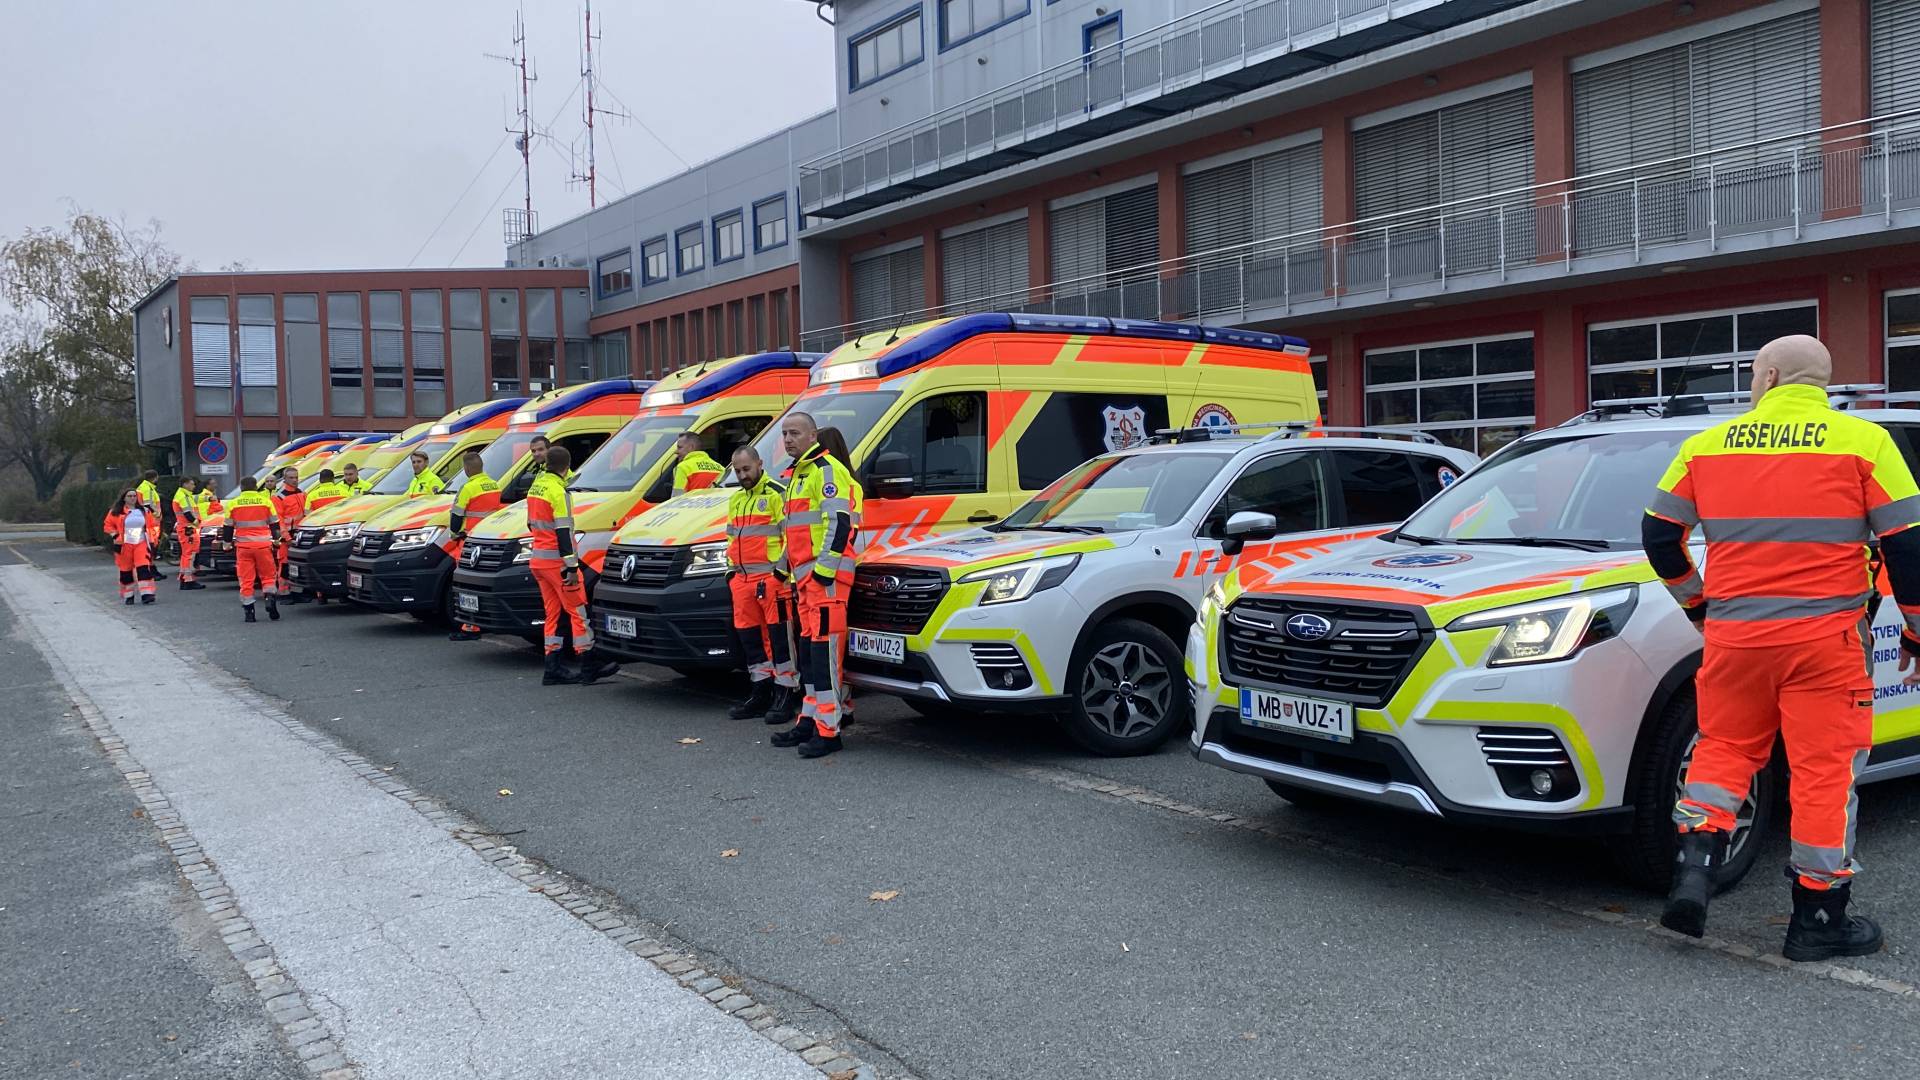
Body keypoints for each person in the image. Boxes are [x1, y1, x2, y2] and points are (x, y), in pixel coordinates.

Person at [1644, 334, 1920, 961]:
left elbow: (1659, 536)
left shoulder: (1704, 445)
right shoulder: (1865, 442)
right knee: (1823, 774)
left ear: (1768, 376)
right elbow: (1906, 547)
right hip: (1824, 644)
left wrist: (1699, 606)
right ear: (1819, 383)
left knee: (1724, 749)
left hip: (1736, 639)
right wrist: (1913, 629)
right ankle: (1818, 917)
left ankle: (1695, 868)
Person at [770, 413, 863, 758]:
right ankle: (810, 721)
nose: (788, 439)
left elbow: (839, 525)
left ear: (813, 436)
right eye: (784, 433)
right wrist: (783, 572)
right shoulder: (798, 475)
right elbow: (795, 533)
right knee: (810, 656)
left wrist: (823, 573)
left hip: (825, 582)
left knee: (824, 656)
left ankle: (829, 731)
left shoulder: (826, 471)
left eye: (795, 432)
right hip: (807, 582)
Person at [526, 446, 620, 685]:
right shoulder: (558, 492)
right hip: (558, 562)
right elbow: (563, 532)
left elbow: (530, 524)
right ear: (567, 467)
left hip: (539, 560)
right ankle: (589, 665)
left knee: (553, 615)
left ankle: (552, 667)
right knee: (578, 612)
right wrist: (570, 566)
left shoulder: (536, 487)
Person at [725, 445, 798, 722]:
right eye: (738, 470)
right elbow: (731, 539)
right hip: (742, 581)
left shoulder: (777, 494)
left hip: (771, 580)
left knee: (780, 641)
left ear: (760, 464)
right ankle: (761, 691)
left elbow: (792, 538)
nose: (743, 475)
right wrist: (730, 574)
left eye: (747, 469)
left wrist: (779, 575)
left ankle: (786, 692)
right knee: (751, 641)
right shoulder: (736, 500)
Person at [445, 450, 501, 641]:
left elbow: (457, 515)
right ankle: (481, 622)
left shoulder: (468, 488)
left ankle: (470, 626)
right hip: (489, 540)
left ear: (467, 468)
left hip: (469, 542)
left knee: (464, 584)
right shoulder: (494, 484)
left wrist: (454, 534)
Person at [226, 477, 281, 623]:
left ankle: (249, 612)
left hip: (243, 548)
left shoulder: (233, 504)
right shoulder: (266, 501)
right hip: (263, 546)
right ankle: (270, 599)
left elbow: (228, 527)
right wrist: (277, 541)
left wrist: (226, 544)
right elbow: (275, 525)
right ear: (256, 487)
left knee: (246, 579)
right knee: (268, 576)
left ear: (241, 488)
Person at [103, 489, 159, 605]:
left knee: (143, 567)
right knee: (126, 570)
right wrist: (115, 535)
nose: (132, 498)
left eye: (134, 496)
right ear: (124, 498)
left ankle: (147, 594)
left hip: (141, 542)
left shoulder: (144, 511)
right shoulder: (116, 512)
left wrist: (152, 540)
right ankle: (129, 595)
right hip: (124, 544)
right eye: (130, 496)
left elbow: (152, 525)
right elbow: (108, 525)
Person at [273, 466, 309, 604]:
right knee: (284, 564)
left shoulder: (301, 493)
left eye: (296, 477)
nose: (295, 480)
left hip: (299, 535)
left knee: (297, 565)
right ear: (285, 479)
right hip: (287, 536)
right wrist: (286, 537)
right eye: (291, 478)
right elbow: (279, 520)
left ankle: (296, 592)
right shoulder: (279, 496)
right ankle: (284, 593)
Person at [169, 477, 206, 590]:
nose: (194, 486)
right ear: (185, 484)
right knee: (189, 554)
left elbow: (195, 500)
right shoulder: (183, 496)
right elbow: (188, 514)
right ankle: (187, 580)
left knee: (188, 554)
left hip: (186, 528)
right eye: (192, 484)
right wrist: (196, 524)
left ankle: (185, 578)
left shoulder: (184, 495)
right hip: (188, 529)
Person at [670, 433, 724, 497]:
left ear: (691, 447)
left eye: (680, 447)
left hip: (690, 506)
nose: (676, 451)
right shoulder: (720, 468)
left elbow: (677, 498)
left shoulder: (683, 467)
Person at [136, 469, 167, 579]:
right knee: (150, 548)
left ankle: (153, 570)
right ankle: (150, 572)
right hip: (150, 522)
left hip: (149, 522)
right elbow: (148, 504)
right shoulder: (147, 488)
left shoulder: (144, 487)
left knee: (151, 548)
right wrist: (156, 514)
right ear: (155, 477)